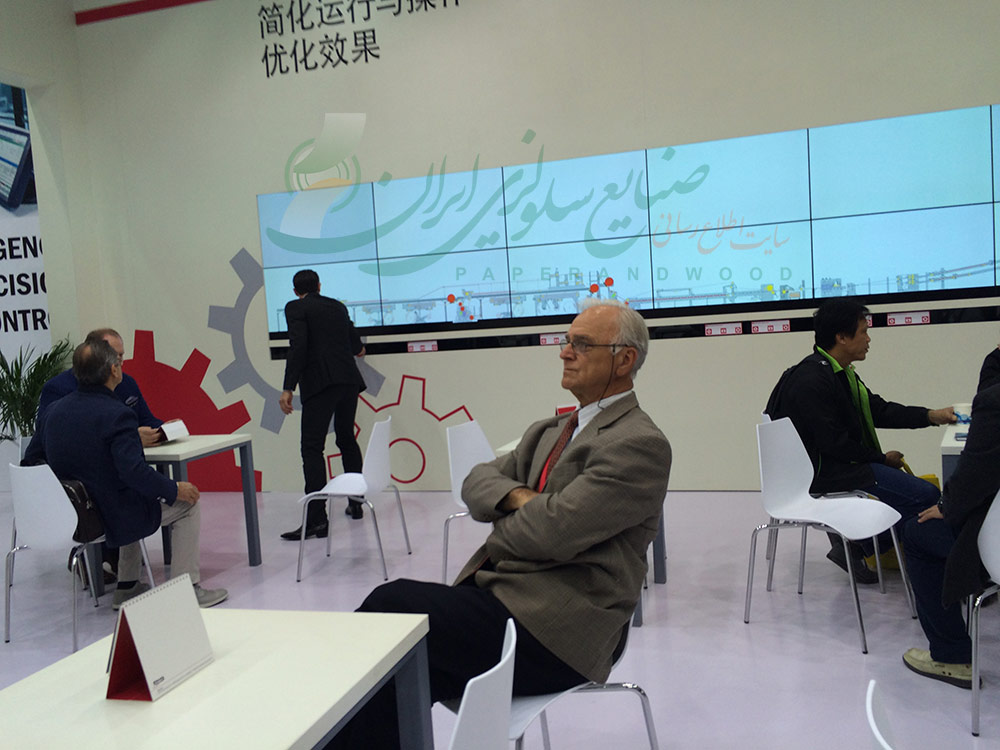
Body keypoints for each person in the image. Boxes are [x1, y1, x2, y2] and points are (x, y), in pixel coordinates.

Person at [331, 299, 671, 749]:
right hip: (505, 599)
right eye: (567, 341)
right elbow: (476, 482)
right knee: (392, 674)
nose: (564, 352)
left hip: (559, 630)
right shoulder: (549, 430)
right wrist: (522, 500)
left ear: (624, 359)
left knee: (391, 607)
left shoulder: (639, 443)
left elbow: (552, 532)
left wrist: (507, 523)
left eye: (582, 344)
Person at [765, 298, 956, 583]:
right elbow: (833, 443)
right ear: (841, 337)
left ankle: (859, 546)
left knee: (919, 495)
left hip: (836, 463)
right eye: (863, 332)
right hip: (823, 473)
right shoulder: (812, 380)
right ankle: (878, 553)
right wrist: (881, 459)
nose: (869, 339)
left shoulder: (837, 373)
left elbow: (879, 410)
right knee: (925, 496)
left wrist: (931, 415)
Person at [34, 338, 227, 609]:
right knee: (187, 504)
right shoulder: (118, 414)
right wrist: (174, 489)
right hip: (112, 516)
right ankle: (187, 590)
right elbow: (134, 472)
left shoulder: (54, 412)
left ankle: (127, 587)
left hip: (73, 515)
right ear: (114, 370)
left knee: (127, 495)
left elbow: (36, 457)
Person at [900, 353, 1000, 687]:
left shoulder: (993, 402)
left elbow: (975, 474)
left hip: (995, 549)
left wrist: (948, 504)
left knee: (916, 533)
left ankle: (951, 657)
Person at [279, 268, 367, 540]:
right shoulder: (337, 307)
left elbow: (298, 347)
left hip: (320, 384)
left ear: (296, 291)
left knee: (312, 448)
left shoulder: (295, 307)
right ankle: (356, 503)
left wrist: (288, 387)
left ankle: (317, 520)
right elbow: (356, 345)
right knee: (346, 439)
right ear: (319, 285)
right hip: (348, 381)